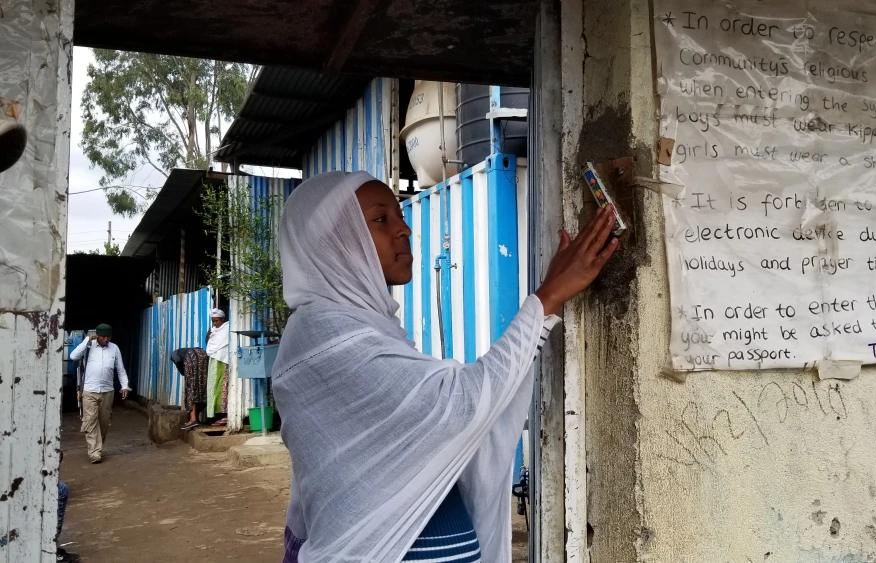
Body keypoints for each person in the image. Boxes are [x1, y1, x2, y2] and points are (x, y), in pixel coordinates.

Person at [272, 171, 618, 562]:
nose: (404, 230)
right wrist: (548, 297)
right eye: (381, 219)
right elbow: (458, 406)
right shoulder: (323, 338)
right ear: (333, 242)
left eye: (400, 215)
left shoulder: (368, 328)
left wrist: (545, 306)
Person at [70, 323, 130, 464]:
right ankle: (94, 452)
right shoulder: (89, 346)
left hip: (107, 391)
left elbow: (120, 369)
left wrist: (125, 386)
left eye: (108, 337)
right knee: (90, 421)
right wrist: (86, 341)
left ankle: (98, 447)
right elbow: (73, 356)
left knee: (103, 423)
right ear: (97, 336)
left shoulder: (114, 348)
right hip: (89, 390)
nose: (106, 339)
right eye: (103, 337)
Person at [171, 347, 209, 430]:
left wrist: (183, 371)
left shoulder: (174, 355)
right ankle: (196, 417)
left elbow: (178, 364)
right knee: (202, 387)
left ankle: (192, 419)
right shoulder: (184, 350)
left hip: (191, 357)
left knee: (191, 388)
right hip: (203, 354)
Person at [204, 309, 230, 426]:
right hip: (213, 360)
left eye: (217, 321)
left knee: (221, 387)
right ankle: (214, 415)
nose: (215, 323)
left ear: (223, 319)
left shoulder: (227, 328)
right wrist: (209, 334)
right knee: (212, 387)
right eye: (213, 321)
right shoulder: (213, 330)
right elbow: (208, 344)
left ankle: (223, 414)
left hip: (222, 360)